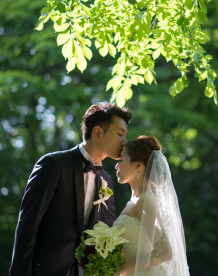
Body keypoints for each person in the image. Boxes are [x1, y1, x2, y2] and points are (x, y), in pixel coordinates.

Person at [9, 102, 132, 276]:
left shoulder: (106, 180)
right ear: (98, 132)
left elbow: (108, 231)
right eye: (120, 134)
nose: (124, 142)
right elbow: (28, 225)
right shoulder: (53, 165)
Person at [113, 135, 190, 276]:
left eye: (121, 160)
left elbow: (165, 252)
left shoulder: (145, 199)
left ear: (138, 166)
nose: (116, 165)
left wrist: (120, 269)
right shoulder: (134, 200)